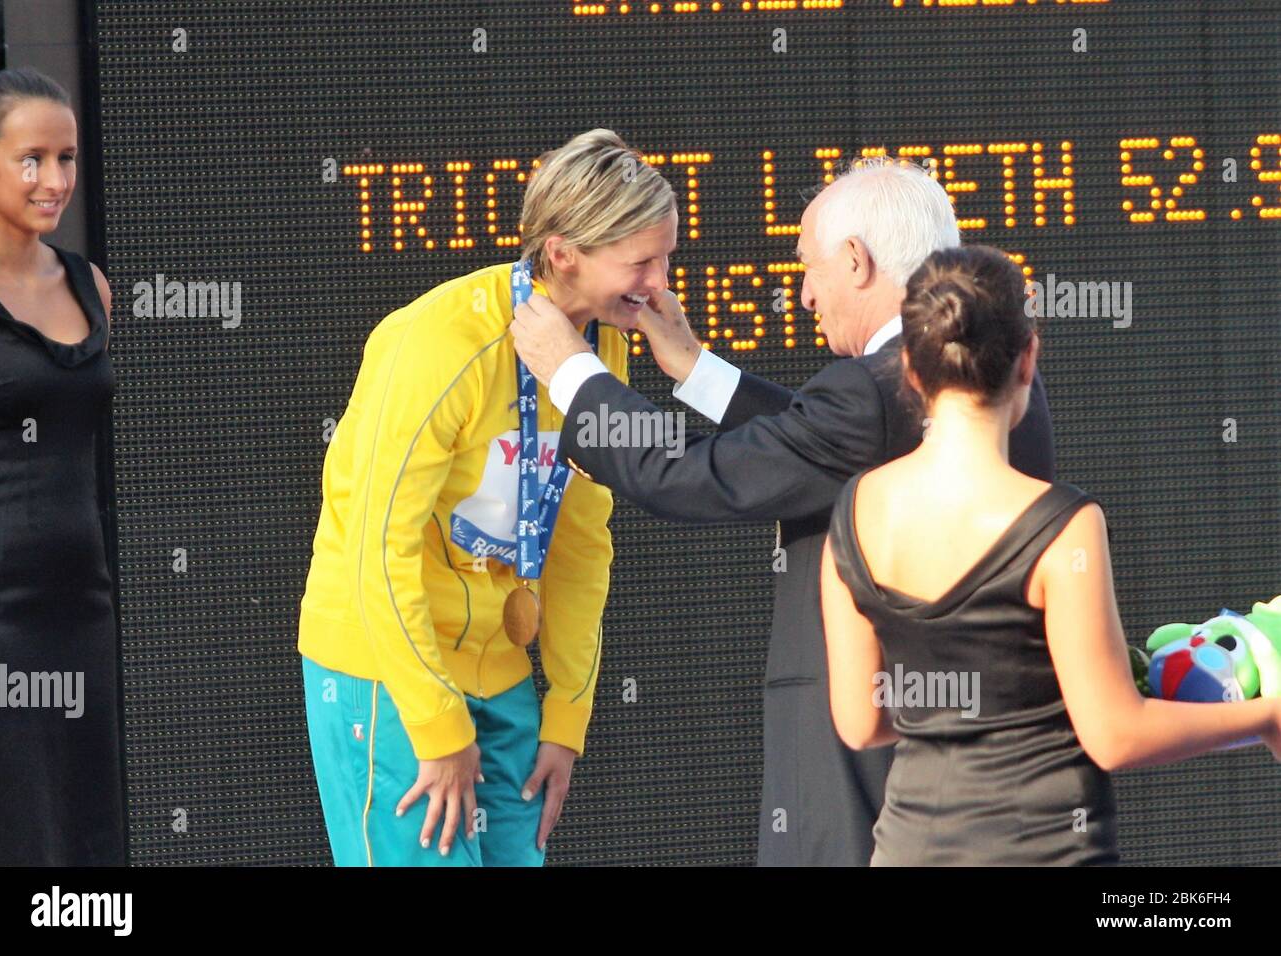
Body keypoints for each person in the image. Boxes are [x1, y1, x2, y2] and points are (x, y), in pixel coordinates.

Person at [509, 156, 1055, 865]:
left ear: (855, 261)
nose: (803, 295)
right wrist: (697, 371)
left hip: (864, 750)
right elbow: (818, 439)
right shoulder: (1006, 384)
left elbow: (689, 477)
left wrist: (574, 375)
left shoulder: (870, 396)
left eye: (809, 268)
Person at [820, 244, 1281, 865]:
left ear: (909, 367)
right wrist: (1266, 716)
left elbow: (860, 722)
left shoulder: (852, 515)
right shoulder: (1063, 526)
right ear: (1028, 358)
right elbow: (1115, 733)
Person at [297, 129, 674, 865]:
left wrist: (566, 713)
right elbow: (380, 548)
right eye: (640, 262)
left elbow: (581, 536)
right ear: (563, 254)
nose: (660, 283)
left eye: (667, 258)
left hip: (499, 673)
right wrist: (437, 728)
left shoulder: (600, 348)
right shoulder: (443, 341)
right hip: (389, 672)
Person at [0, 67, 125, 864]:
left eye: (67, 158)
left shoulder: (89, 284)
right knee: (15, 831)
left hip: (81, 604)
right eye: (31, 158)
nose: (55, 180)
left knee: (84, 824)